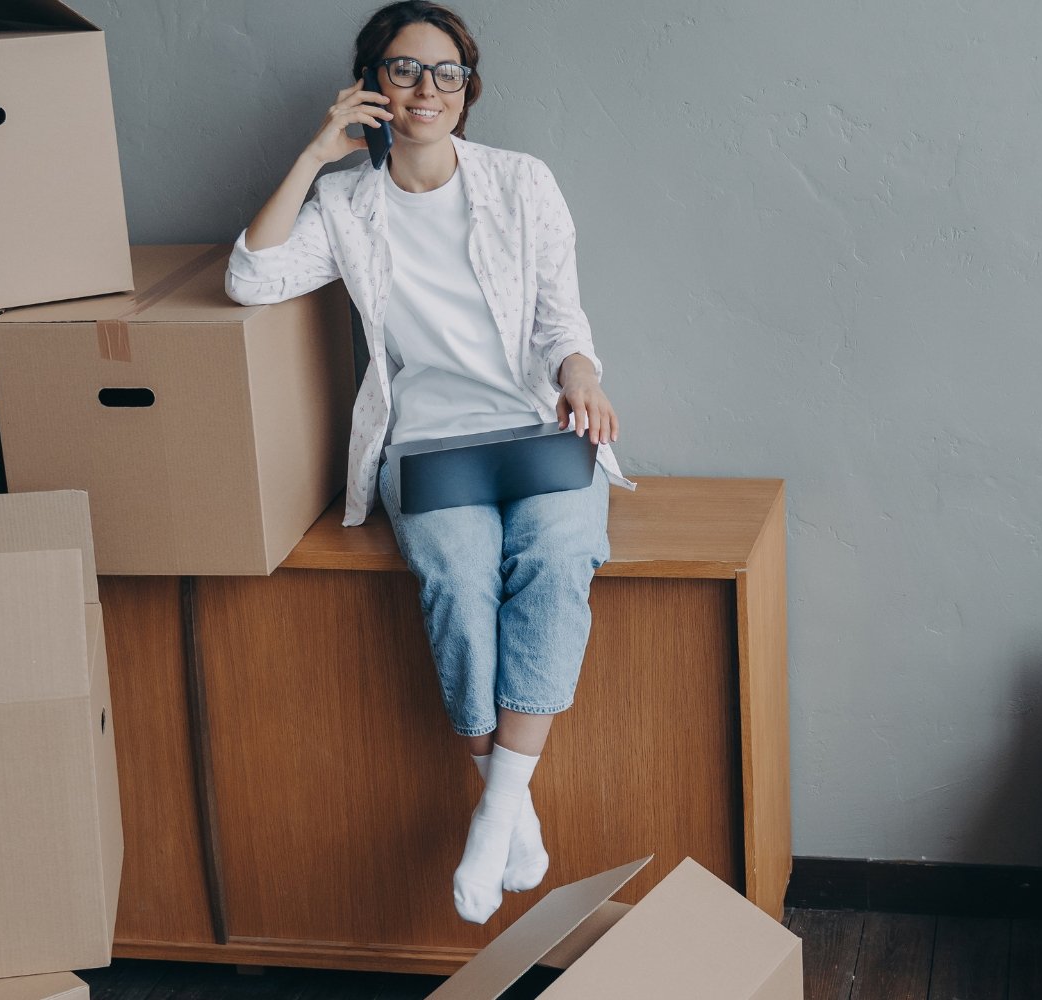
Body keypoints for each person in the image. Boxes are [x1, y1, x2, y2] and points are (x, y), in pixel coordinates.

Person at [224, 0, 637, 924]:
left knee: (562, 561)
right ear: (370, 85)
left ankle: (494, 810)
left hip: (540, 425)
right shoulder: (346, 202)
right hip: (429, 440)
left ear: (467, 88)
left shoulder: (521, 182)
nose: (426, 89)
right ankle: (509, 805)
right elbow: (250, 278)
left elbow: (562, 317)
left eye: (445, 72)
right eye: (403, 71)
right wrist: (313, 154)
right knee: (454, 580)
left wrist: (580, 374)